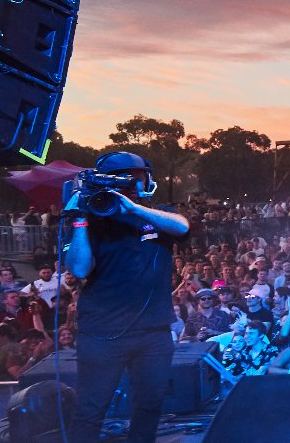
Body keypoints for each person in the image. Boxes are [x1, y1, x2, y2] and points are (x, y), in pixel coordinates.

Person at [63, 151, 190, 443]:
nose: (138, 182)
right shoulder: (91, 218)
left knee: (149, 405)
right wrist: (80, 220)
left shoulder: (157, 214)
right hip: (102, 333)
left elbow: (181, 226)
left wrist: (133, 209)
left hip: (153, 331)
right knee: (91, 410)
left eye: (139, 177)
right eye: (133, 178)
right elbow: (80, 267)